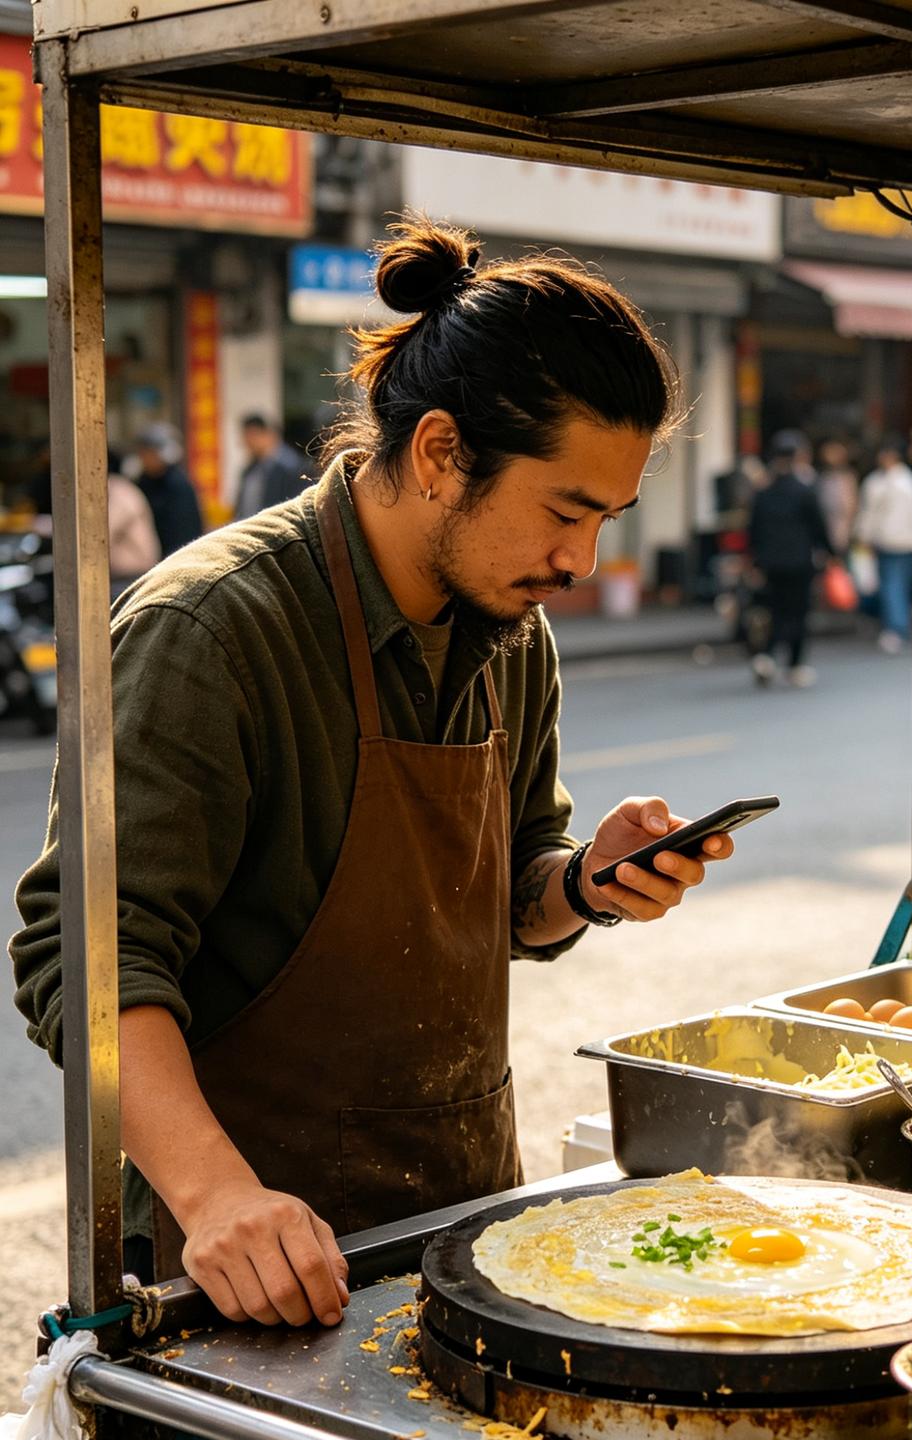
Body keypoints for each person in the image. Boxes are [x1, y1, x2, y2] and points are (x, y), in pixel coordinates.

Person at [10, 216, 736, 1328]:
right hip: (242, 1269)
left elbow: (511, 902)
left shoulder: (510, 632)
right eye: (564, 511)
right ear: (442, 451)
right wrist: (217, 1196)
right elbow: (89, 956)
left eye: (608, 520)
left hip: (459, 1228)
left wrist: (583, 883)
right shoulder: (210, 629)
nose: (580, 562)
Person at [746, 430, 835, 688]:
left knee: (775, 610)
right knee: (799, 612)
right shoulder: (805, 491)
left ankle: (767, 656)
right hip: (800, 562)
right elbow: (819, 528)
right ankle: (795, 664)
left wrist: (754, 561)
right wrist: (831, 554)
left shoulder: (763, 493)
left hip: (770, 563)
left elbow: (754, 530)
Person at [857, 435, 912, 653]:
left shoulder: (877, 483)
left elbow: (869, 515)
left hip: (888, 541)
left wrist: (864, 536)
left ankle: (895, 627)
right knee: (900, 585)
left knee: (892, 585)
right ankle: (899, 624)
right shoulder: (910, 481)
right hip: (909, 541)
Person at [133, 423, 205, 559]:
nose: (144, 458)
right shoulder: (144, 481)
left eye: (148, 453)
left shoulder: (177, 484)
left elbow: (185, 531)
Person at [106, 448, 161, 599]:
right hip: (125, 576)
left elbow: (104, 533)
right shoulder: (119, 488)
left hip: (131, 576)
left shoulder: (119, 490)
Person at [234, 413, 310, 519]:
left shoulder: (291, 468)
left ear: (267, 434)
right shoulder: (249, 471)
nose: (247, 442)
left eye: (252, 435)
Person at [814, 438, 858, 561]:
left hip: (843, 533)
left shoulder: (848, 478)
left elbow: (851, 506)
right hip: (824, 534)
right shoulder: (821, 478)